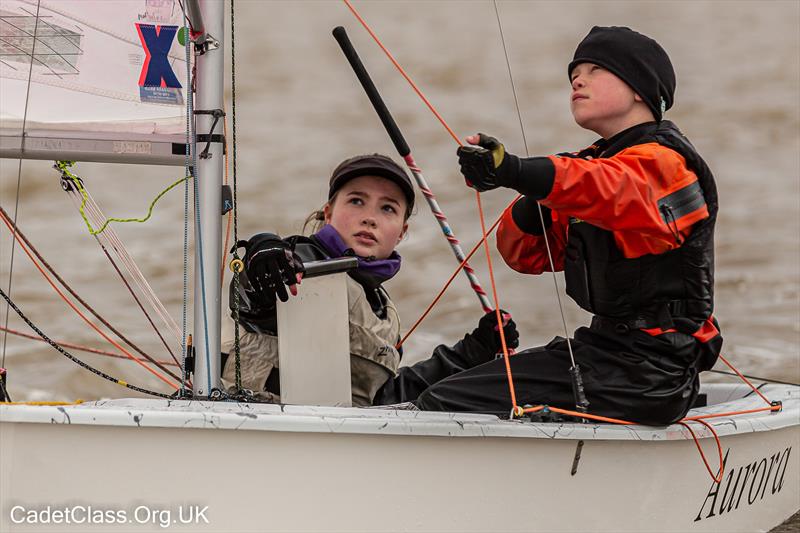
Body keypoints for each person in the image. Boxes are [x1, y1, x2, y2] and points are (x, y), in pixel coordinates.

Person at [415, 26, 722, 426]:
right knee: (445, 390)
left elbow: (612, 190)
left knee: (445, 400)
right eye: (575, 72)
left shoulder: (665, 163)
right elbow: (522, 254)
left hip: (651, 372)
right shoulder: (591, 166)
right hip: (605, 354)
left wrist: (516, 170)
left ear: (639, 90)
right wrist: (532, 192)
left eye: (596, 69)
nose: (579, 79)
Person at [221, 153, 519, 406]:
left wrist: (470, 353)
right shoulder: (301, 261)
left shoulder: (386, 315)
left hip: (340, 445)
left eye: (387, 208)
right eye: (356, 201)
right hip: (257, 430)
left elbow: (385, 401)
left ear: (402, 232)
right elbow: (251, 298)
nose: (370, 217)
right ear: (328, 213)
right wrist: (262, 250)